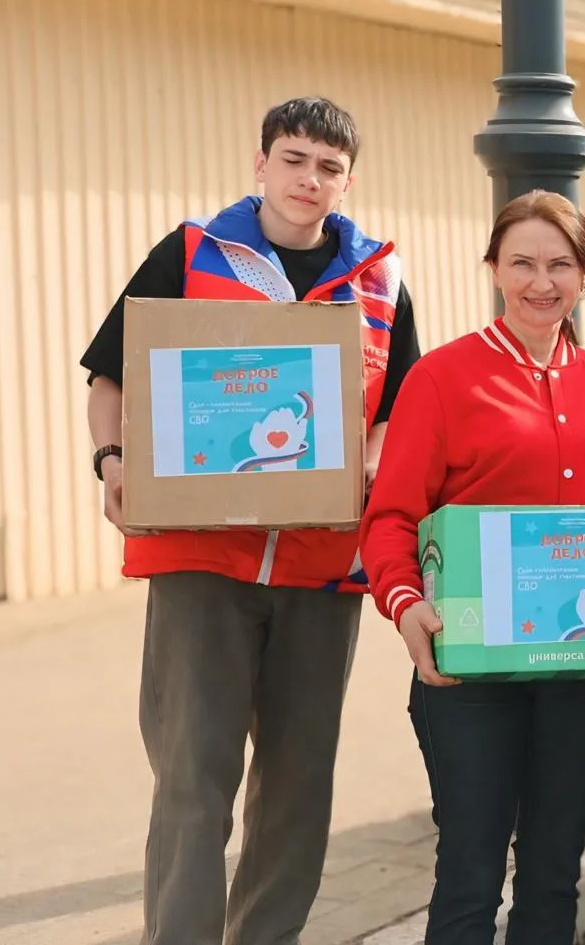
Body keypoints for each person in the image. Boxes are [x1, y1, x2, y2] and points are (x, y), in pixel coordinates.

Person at [79, 97, 417, 945]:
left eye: (329, 167)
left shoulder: (382, 281)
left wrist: (371, 460)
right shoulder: (191, 252)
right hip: (202, 563)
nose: (310, 179)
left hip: (323, 568)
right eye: (294, 159)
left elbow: (398, 411)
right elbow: (111, 377)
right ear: (261, 163)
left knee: (300, 787)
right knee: (193, 780)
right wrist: (112, 460)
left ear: (347, 181)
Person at [357, 190, 585, 943]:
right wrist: (405, 603)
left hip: (582, 672)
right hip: (468, 673)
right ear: (493, 268)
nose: (541, 282)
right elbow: (389, 518)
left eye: (560, 265)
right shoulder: (441, 378)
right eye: (522, 263)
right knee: (471, 874)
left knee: (554, 873)